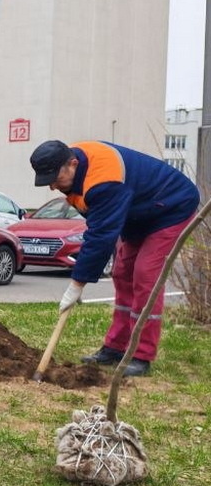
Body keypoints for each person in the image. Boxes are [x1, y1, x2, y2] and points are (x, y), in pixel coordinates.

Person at [30, 139, 199, 376]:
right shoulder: (76, 170)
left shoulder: (103, 180)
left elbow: (100, 236)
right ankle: (115, 347)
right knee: (122, 273)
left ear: (73, 163)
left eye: (56, 179)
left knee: (145, 273)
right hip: (138, 212)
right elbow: (100, 224)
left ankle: (141, 355)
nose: (53, 187)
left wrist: (77, 283)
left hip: (170, 206)